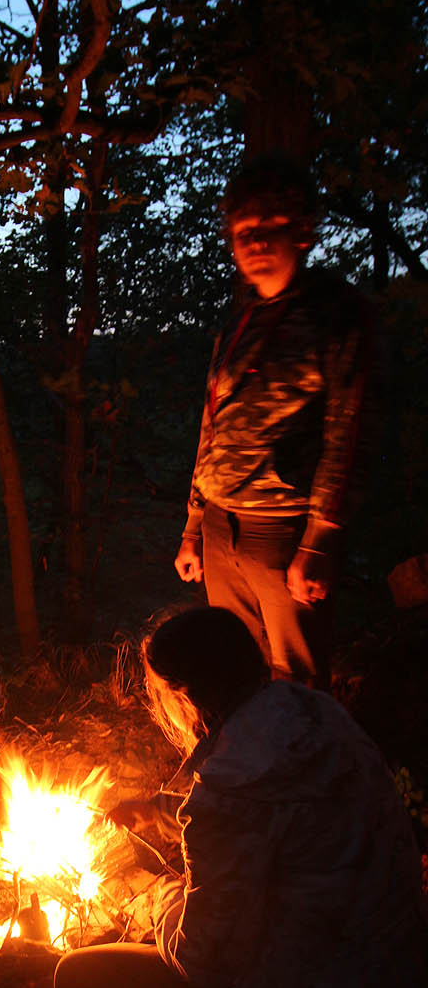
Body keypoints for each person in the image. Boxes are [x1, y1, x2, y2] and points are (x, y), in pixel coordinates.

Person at [55, 606, 428, 988]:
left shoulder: (226, 795)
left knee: (79, 977)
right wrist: (161, 810)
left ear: (184, 695)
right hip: (398, 969)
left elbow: (203, 961)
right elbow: (283, 814)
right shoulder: (313, 711)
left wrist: (152, 897)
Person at [174, 155, 376, 688]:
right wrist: (195, 525)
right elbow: (211, 427)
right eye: (243, 231)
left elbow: (348, 434)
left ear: (302, 231)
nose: (255, 242)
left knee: (298, 680)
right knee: (234, 675)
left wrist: (319, 540)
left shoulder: (335, 314)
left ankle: (312, 770)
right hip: (221, 527)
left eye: (269, 227)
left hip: (282, 530)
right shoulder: (240, 322)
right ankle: (253, 771)